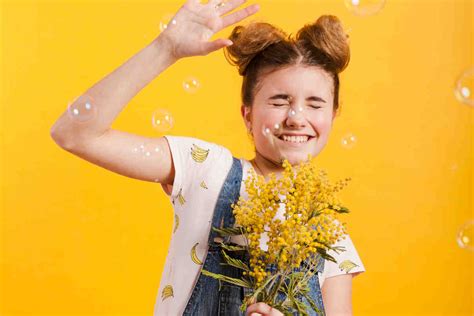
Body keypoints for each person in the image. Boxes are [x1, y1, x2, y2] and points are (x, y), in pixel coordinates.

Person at [50, 0, 365, 315]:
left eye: (315, 103)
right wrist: (166, 48)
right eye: (280, 100)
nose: (297, 117)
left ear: (334, 115)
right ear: (247, 115)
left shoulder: (330, 235)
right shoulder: (206, 169)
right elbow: (75, 134)